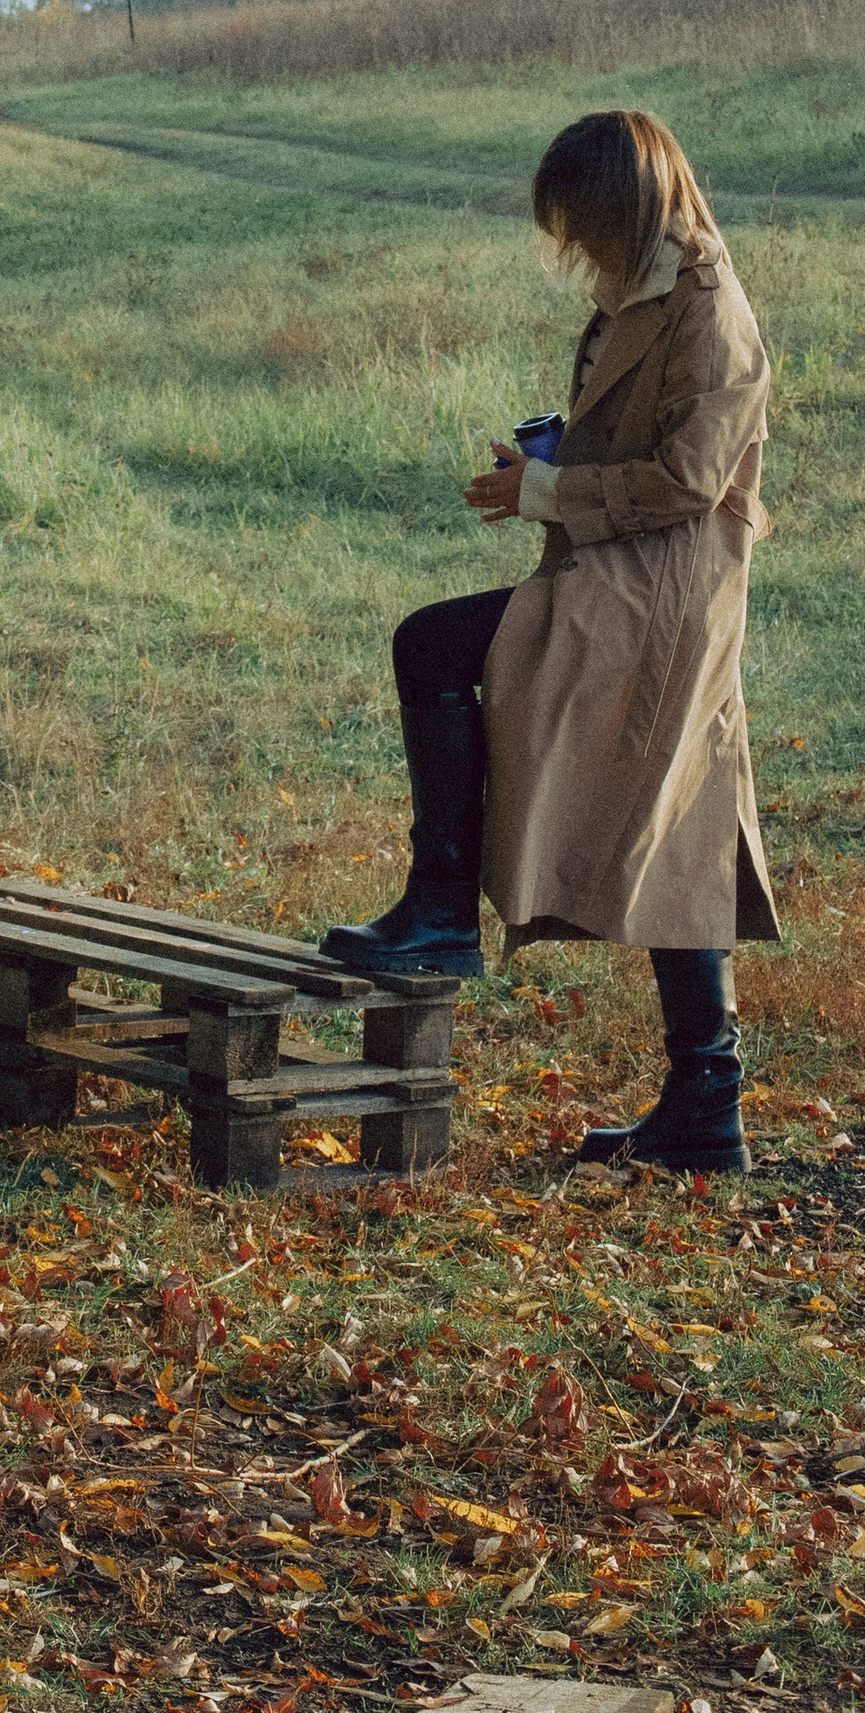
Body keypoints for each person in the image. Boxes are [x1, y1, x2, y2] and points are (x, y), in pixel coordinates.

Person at [321, 107, 778, 1172]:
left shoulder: (708, 310)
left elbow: (688, 482)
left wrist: (549, 489)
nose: (571, 245)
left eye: (580, 222)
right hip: (623, 574)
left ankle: (440, 906)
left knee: (433, 647)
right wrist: (546, 462)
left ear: (627, 205)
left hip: (659, 595)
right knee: (682, 831)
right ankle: (706, 1106)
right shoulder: (641, 291)